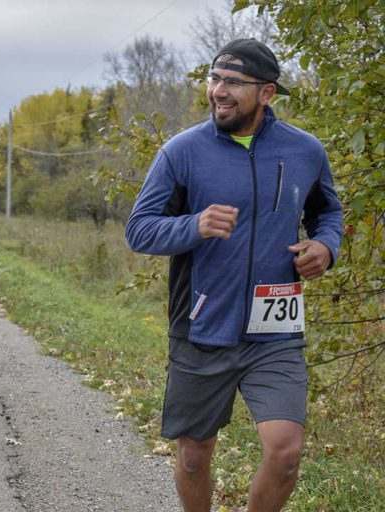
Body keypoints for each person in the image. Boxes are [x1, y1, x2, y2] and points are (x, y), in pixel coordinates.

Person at [125, 39, 343, 511]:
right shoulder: (181, 152)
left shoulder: (305, 150)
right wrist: (194, 224)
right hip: (202, 323)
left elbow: (328, 212)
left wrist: (326, 246)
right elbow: (139, 230)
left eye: (232, 83)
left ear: (267, 93)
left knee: (285, 452)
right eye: (213, 79)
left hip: (275, 329)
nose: (218, 92)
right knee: (192, 456)